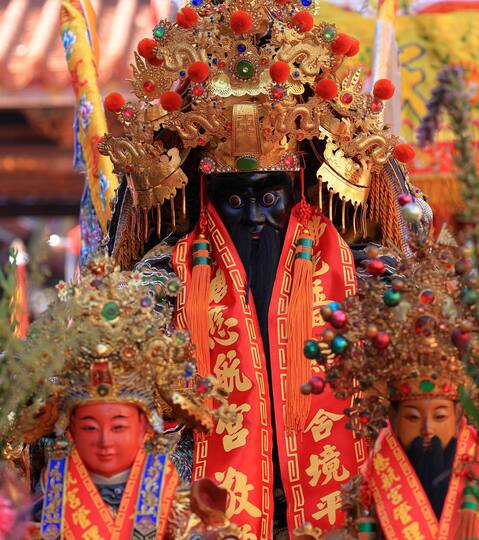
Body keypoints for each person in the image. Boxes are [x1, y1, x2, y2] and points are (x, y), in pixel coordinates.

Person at [98, 0, 428, 535]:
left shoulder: (363, 274)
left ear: (300, 189)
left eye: (269, 198)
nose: (253, 216)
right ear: (205, 199)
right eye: (234, 202)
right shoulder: (166, 278)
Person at [15, 254, 237, 539]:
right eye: (89, 428)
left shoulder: (173, 502)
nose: (105, 441)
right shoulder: (48, 505)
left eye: (119, 426)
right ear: (68, 430)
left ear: (146, 427)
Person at [307, 230, 479, 539]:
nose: (427, 429)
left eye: (439, 416)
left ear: (459, 418)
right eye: (413, 417)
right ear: (394, 418)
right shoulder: (372, 481)